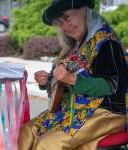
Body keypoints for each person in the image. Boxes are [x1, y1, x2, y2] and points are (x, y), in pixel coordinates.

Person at [18, 0, 128, 150]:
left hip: (107, 113)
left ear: (83, 10)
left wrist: (73, 80)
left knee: (47, 144)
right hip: (75, 109)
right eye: (59, 23)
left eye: (67, 18)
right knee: (27, 131)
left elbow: (111, 85)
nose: (65, 27)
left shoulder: (107, 43)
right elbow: (63, 83)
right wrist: (47, 80)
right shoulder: (76, 46)